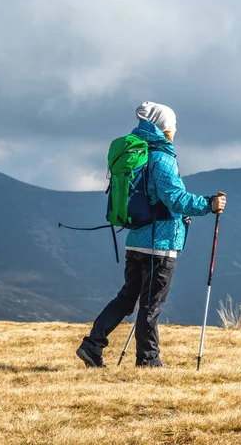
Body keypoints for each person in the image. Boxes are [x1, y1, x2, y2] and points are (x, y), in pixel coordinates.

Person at [76, 101, 226, 368]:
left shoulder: (138, 153)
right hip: (161, 243)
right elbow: (176, 200)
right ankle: (148, 361)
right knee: (150, 305)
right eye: (174, 124)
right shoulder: (161, 157)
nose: (176, 129)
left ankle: (92, 345)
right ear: (165, 126)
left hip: (135, 240)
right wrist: (209, 204)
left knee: (126, 299)